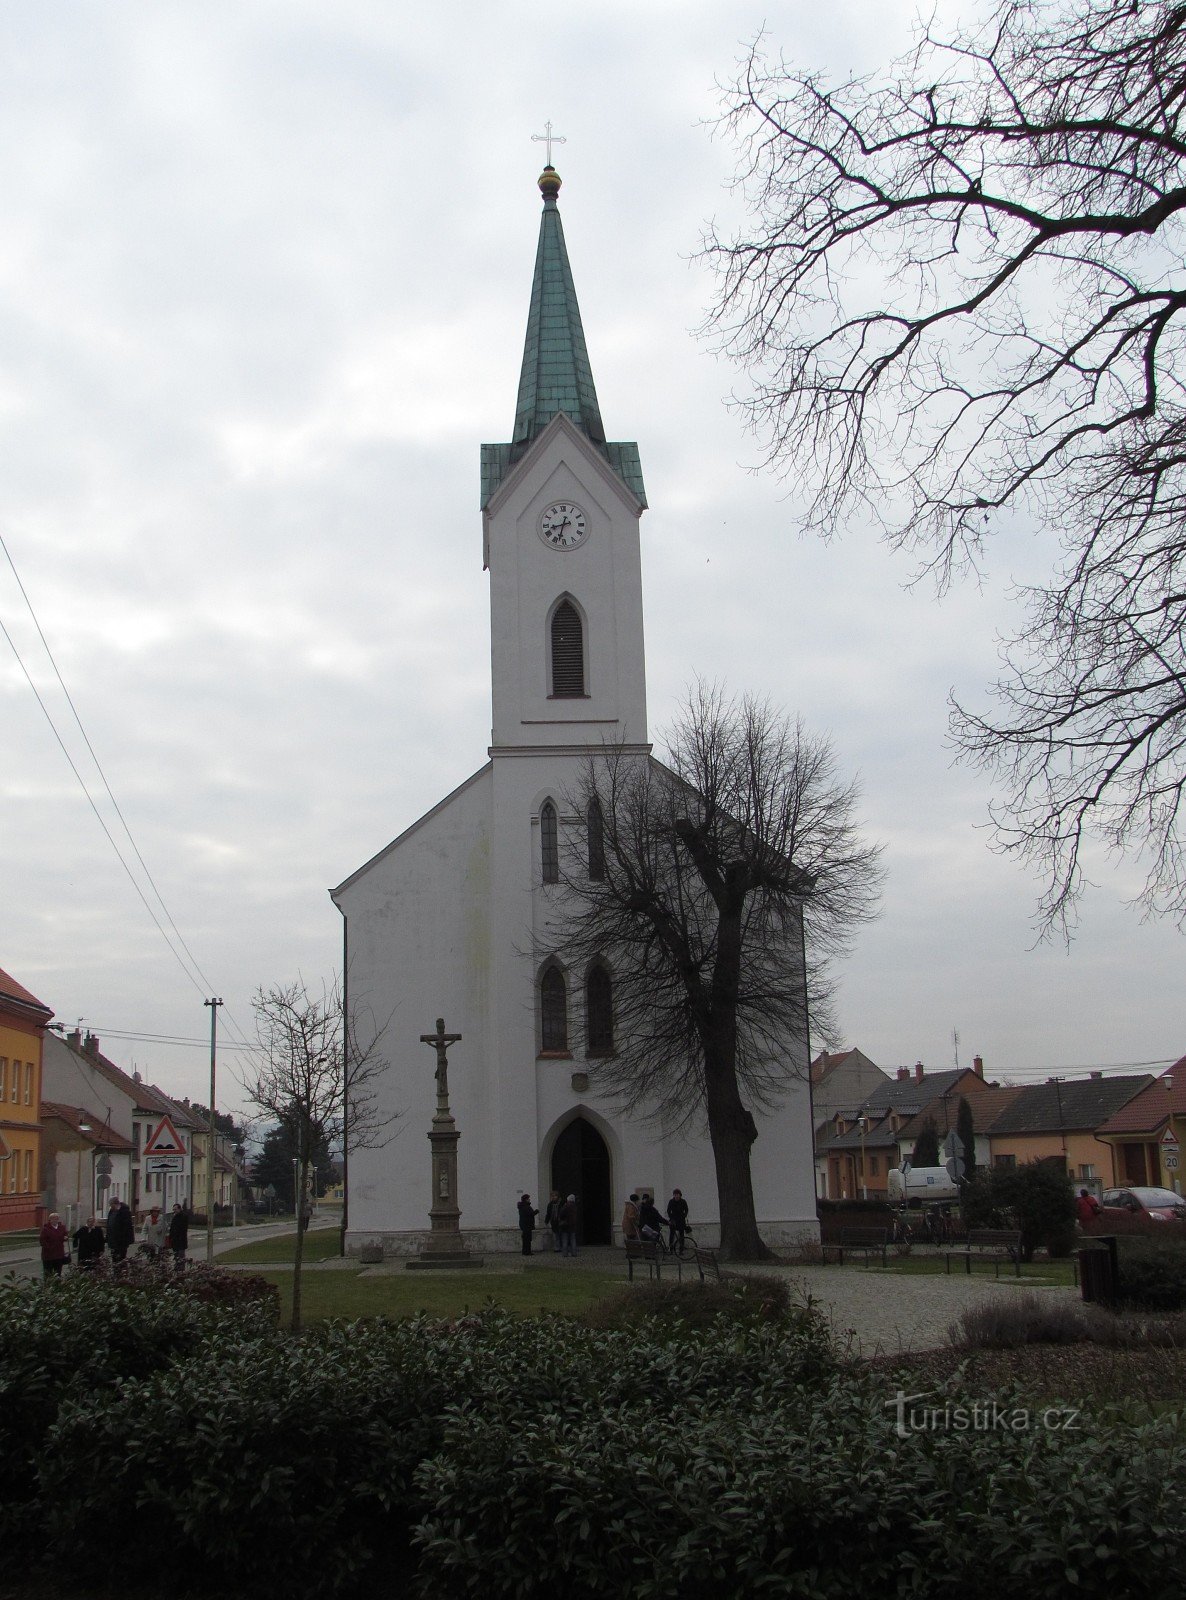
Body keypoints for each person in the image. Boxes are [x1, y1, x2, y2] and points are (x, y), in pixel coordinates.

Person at [39, 1212, 69, 1280]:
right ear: (50, 1220)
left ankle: (57, 1286)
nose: (55, 1220)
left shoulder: (62, 1227)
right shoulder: (45, 1229)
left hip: (59, 1254)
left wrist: (65, 1237)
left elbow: (66, 1234)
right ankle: (47, 1287)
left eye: (57, 1219)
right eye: (53, 1219)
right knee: (48, 1273)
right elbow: (42, 1241)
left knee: (58, 1272)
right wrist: (49, 1248)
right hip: (48, 1256)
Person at [105, 1196, 134, 1265]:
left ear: (115, 1204)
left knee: (121, 1258)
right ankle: (116, 1272)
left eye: (111, 1205)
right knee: (114, 1258)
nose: (110, 1206)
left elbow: (127, 1227)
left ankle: (121, 1273)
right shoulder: (111, 1211)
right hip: (113, 1240)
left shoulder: (124, 1211)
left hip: (121, 1241)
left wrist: (122, 1238)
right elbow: (109, 1223)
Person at [666, 1188, 690, 1255]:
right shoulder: (671, 1201)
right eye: (675, 1194)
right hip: (673, 1220)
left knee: (681, 1235)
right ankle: (671, 1249)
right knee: (672, 1235)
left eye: (677, 1194)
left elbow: (686, 1209)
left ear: (680, 1195)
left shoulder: (683, 1201)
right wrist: (671, 1218)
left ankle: (681, 1250)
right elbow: (668, 1210)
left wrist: (684, 1216)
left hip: (681, 1220)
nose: (676, 1196)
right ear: (673, 1195)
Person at [166, 1201, 189, 1270]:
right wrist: (171, 1237)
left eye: (175, 1209)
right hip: (175, 1240)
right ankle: (177, 1267)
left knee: (181, 1255)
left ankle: (181, 1269)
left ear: (179, 1209)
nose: (174, 1211)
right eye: (173, 1210)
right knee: (176, 1255)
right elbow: (172, 1228)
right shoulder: (175, 1217)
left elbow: (182, 1228)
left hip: (181, 1240)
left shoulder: (183, 1216)